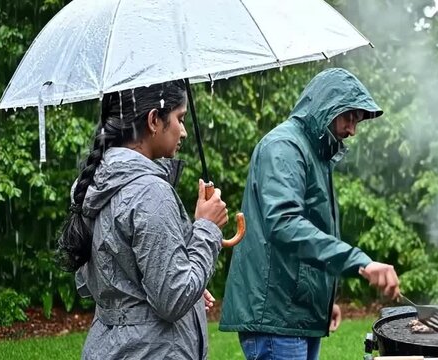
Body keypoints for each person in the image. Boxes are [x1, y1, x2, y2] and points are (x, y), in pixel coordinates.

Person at [219, 68, 401, 360]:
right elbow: (285, 225)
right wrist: (360, 262)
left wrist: (322, 300)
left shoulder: (314, 151)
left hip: (296, 312)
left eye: (357, 121)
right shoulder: (284, 147)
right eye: (349, 117)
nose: (353, 130)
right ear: (327, 108)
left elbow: (310, 234)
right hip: (276, 317)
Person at [56, 80, 228, 360]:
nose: (183, 131)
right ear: (153, 120)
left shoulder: (95, 182)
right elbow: (173, 300)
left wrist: (182, 270)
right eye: (179, 119)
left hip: (109, 347)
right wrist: (207, 228)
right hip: (153, 350)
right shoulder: (150, 192)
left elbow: (98, 281)